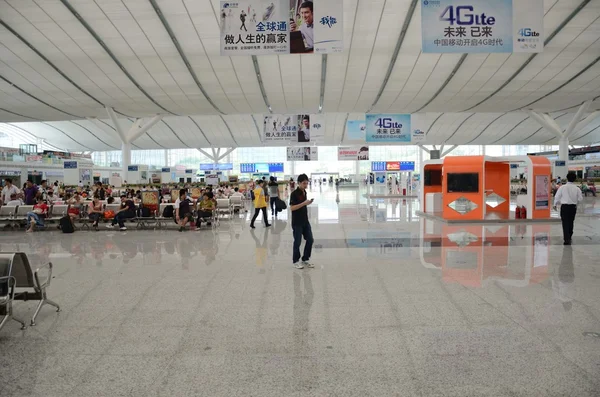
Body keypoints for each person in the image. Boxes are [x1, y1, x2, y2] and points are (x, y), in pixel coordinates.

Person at [289, 174, 314, 269]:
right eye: (304, 183)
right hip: (297, 222)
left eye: (307, 183)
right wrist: (304, 203)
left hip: (305, 221)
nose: (306, 185)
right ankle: (295, 260)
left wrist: (307, 203)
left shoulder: (304, 192)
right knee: (298, 242)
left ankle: (305, 259)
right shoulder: (294, 194)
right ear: (299, 183)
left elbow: (302, 205)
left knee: (310, 239)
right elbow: (292, 208)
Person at [553, 172, 583, 246]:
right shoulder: (577, 189)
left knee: (565, 223)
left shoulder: (562, 187)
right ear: (575, 179)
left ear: (567, 178)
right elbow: (580, 199)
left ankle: (566, 239)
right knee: (571, 221)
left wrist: (555, 205)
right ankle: (569, 235)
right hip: (573, 207)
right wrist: (576, 202)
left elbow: (557, 196)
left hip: (564, 207)